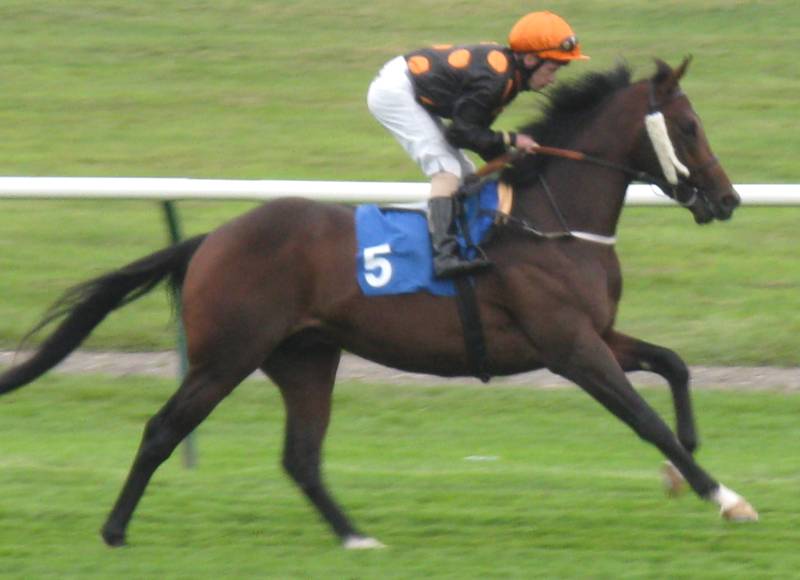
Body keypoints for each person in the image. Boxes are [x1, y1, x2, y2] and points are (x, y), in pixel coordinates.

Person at [367, 11, 589, 278]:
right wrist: (512, 140)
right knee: (447, 170)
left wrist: (511, 156)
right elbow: (460, 133)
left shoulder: (508, 77)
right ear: (531, 59)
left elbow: (476, 135)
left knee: (466, 173)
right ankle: (443, 257)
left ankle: (460, 240)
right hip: (396, 92)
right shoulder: (496, 80)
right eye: (551, 69)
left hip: (409, 87)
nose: (552, 80)